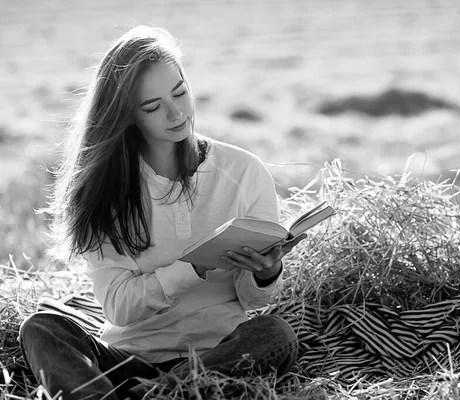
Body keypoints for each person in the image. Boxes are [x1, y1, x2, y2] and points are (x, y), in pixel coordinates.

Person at [18, 25, 304, 400]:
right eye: (152, 107)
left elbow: (252, 302)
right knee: (41, 328)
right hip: (126, 357)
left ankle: (149, 395)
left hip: (216, 354)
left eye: (180, 92)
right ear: (128, 116)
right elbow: (119, 308)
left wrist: (267, 274)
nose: (176, 113)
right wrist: (192, 269)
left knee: (274, 333)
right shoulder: (106, 190)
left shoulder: (244, 172)